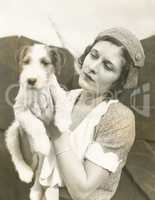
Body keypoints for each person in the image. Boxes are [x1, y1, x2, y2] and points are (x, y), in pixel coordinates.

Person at [19, 27, 145, 200]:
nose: (93, 67)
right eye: (93, 55)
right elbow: (37, 164)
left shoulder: (118, 119)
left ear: (120, 81)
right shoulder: (64, 99)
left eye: (107, 66)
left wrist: (55, 130)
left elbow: (82, 191)